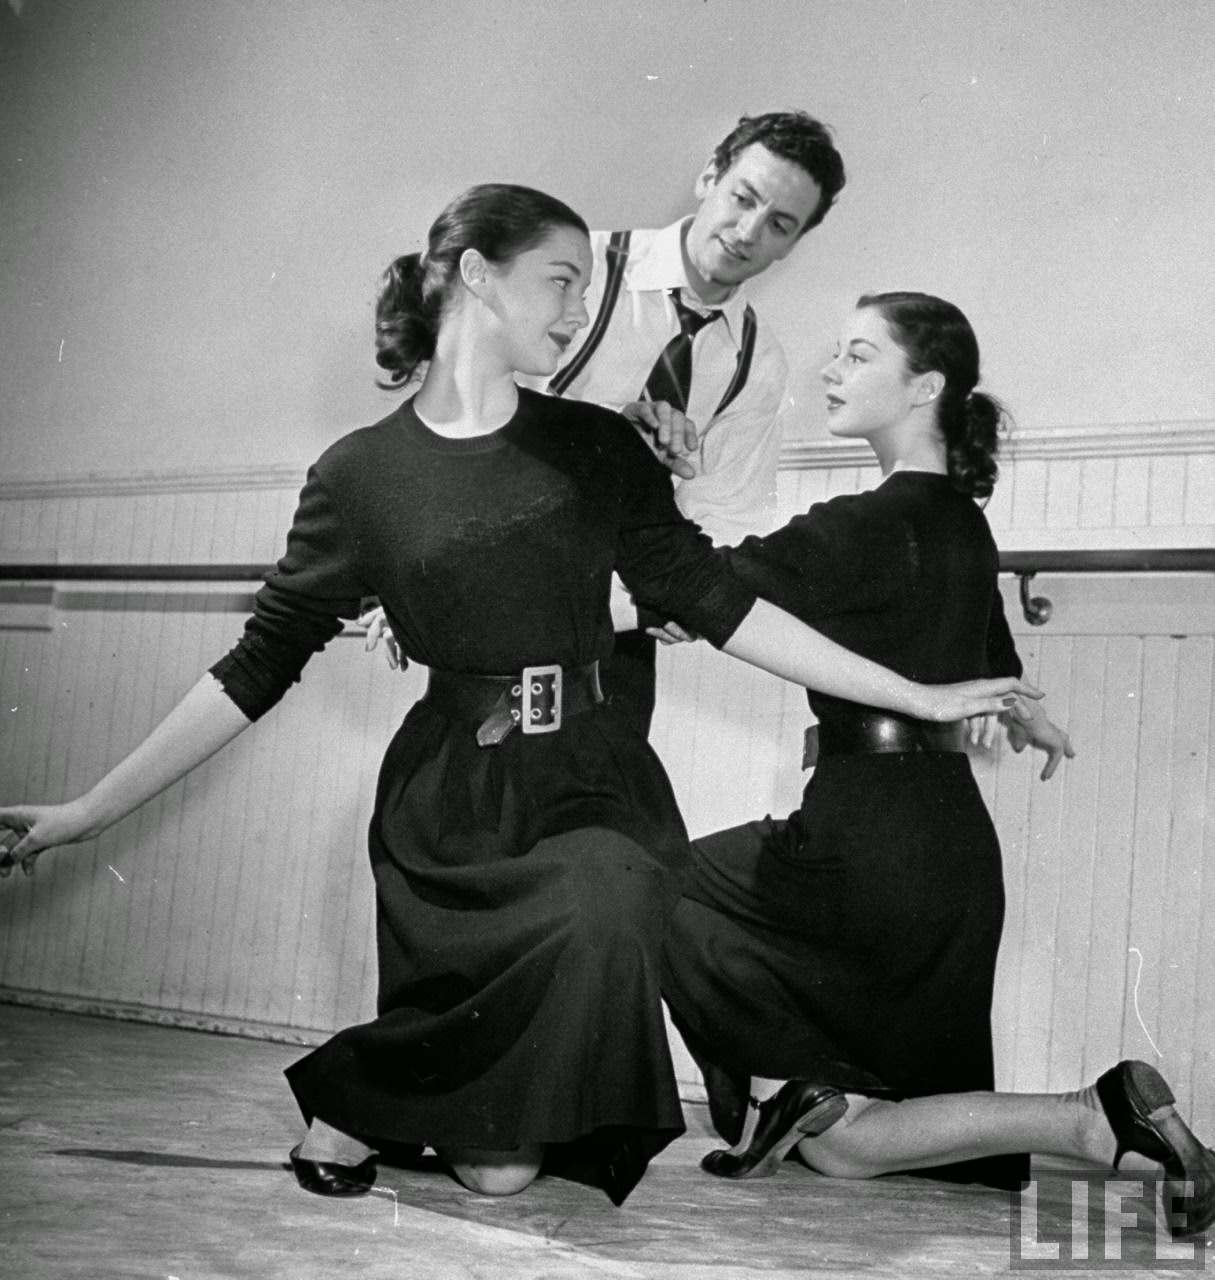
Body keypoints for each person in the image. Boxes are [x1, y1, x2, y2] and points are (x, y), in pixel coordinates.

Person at [0, 195, 1033, 1210]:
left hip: (593, 777)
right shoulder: (358, 474)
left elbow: (721, 603)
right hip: (453, 796)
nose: (580, 309)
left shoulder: (597, 446)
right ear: (478, 276)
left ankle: (369, 1098)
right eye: (562, 279)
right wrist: (86, 812)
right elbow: (254, 666)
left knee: (619, 892)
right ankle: (367, 1101)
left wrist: (917, 690)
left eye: (588, 285)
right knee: (501, 1175)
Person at [660, 292, 1215, 1239]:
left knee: (649, 880)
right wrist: (1029, 713)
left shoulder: (860, 522)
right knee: (847, 1150)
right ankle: (1093, 1118)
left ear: (924, 386)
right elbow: (993, 664)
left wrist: (653, 498)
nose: (832, 373)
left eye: (858, 354)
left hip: (861, 840)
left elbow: (690, 591)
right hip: (948, 852)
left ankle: (789, 1083)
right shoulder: (960, 520)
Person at [365, 110, 847, 738]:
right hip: (490, 595)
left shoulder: (757, 360)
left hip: (614, 636)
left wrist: (677, 597)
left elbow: (728, 511)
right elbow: (463, 403)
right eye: (743, 197)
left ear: (795, 242)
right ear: (709, 176)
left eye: (780, 224)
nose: (748, 231)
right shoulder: (576, 263)